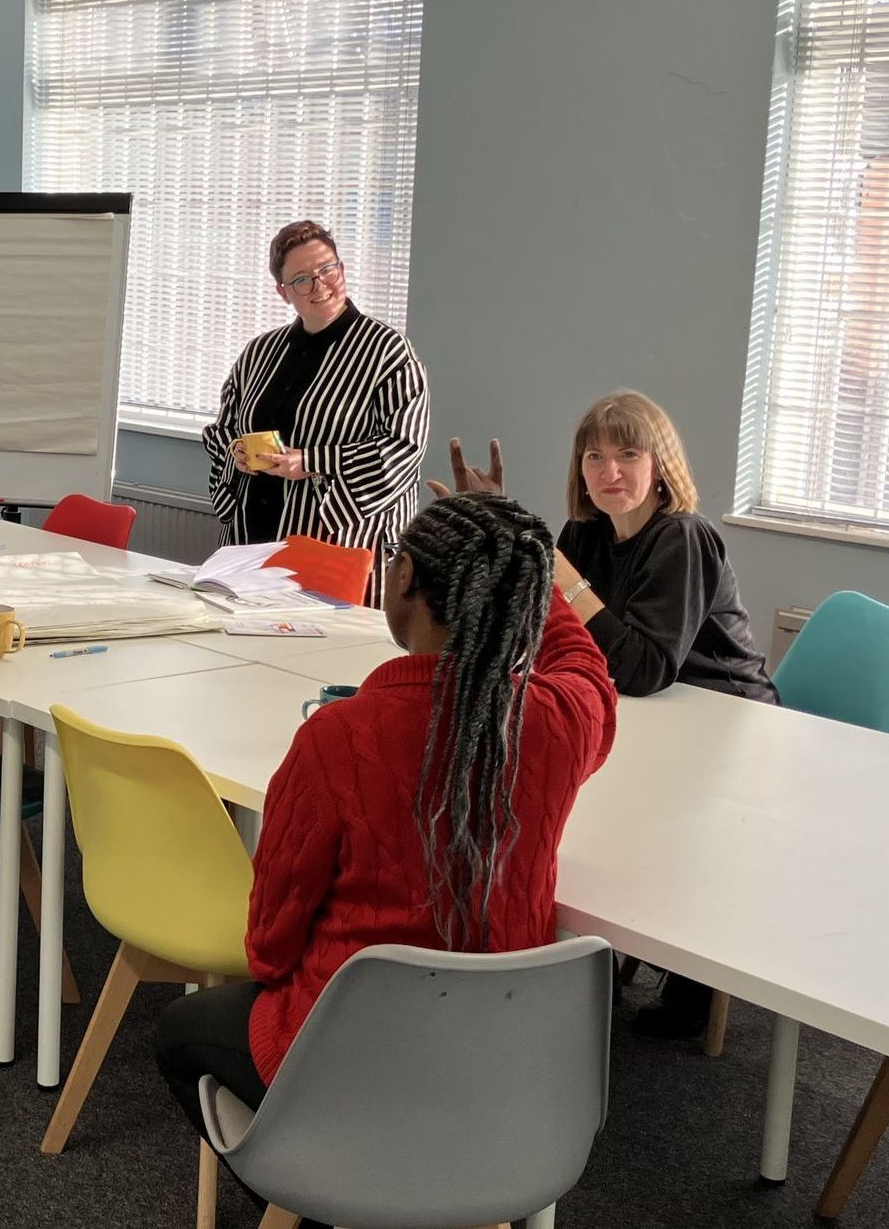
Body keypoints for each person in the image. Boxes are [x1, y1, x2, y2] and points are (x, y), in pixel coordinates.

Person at [154, 492, 616, 1214]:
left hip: (347, 1066)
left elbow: (271, 948)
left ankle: (325, 1200)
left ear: (401, 579)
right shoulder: (558, 726)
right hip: (507, 1071)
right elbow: (588, 670)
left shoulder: (337, 739)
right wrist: (527, 560)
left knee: (181, 1033)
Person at [434, 391, 777, 1038]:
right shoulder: (585, 534)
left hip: (721, 721)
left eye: (628, 455)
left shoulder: (684, 536)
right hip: (641, 715)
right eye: (595, 457)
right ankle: (586, 966)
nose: (609, 472)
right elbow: (536, 637)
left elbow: (645, 668)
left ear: (661, 466)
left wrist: (561, 575)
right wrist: (498, 532)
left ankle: (688, 985)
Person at [202, 220, 430, 606]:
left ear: (341, 269)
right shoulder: (259, 352)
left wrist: (312, 462)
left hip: (335, 547)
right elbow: (222, 429)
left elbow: (403, 449)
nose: (320, 285)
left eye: (328, 269)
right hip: (252, 540)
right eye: (302, 279)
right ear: (283, 292)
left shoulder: (389, 353)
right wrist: (236, 451)